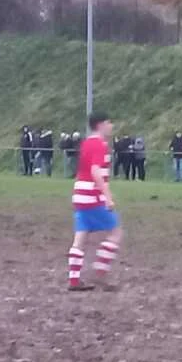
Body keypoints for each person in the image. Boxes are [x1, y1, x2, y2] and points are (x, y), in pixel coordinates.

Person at [67, 111, 123, 292]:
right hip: (92, 195)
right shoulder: (99, 144)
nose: (111, 126)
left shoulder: (86, 143)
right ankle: (100, 273)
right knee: (115, 232)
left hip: (79, 194)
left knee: (80, 236)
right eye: (109, 122)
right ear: (100, 125)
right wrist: (108, 196)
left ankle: (74, 279)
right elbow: (96, 171)